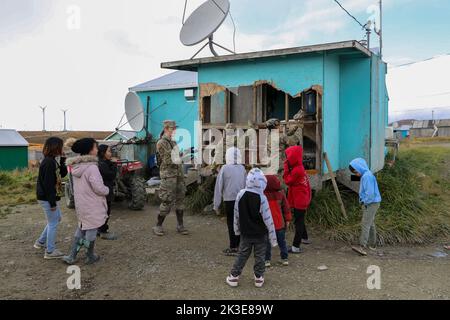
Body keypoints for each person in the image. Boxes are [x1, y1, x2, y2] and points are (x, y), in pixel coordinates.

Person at [226, 168, 277, 288]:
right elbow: (268, 219)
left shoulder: (241, 194)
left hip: (246, 233)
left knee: (242, 255)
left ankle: (234, 277)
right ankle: (259, 278)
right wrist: (273, 238)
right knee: (260, 256)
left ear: (248, 180)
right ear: (263, 182)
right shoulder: (262, 197)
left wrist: (236, 230)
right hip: (261, 234)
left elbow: (236, 214)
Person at [63, 138, 110, 265]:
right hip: (92, 204)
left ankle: (72, 255)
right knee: (91, 230)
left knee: (82, 227)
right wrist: (107, 190)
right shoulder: (92, 168)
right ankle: (90, 255)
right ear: (89, 150)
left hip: (82, 204)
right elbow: (99, 188)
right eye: (95, 147)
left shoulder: (75, 166)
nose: (97, 150)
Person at [34, 137, 68, 259]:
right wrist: (52, 203)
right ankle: (50, 251)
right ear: (56, 147)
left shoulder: (53, 160)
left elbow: (63, 174)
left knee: (55, 219)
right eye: (61, 146)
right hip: (47, 198)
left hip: (49, 197)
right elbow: (48, 185)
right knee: (53, 222)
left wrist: (63, 160)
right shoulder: (48, 162)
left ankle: (41, 242)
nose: (62, 148)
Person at [153, 120, 188, 236]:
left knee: (180, 199)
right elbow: (168, 160)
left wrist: (185, 153)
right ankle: (158, 225)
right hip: (168, 176)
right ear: (167, 129)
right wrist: (179, 156)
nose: (175, 131)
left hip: (178, 175)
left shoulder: (173, 142)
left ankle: (180, 225)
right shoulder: (161, 143)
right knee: (167, 200)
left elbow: (177, 156)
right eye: (173, 129)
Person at [213, 147, 247, 256]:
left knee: (231, 223)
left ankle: (233, 247)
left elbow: (219, 187)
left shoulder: (225, 168)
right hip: (242, 200)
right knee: (241, 222)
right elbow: (247, 185)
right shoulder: (242, 169)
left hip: (230, 200)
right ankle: (241, 246)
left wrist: (216, 205)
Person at [349, 158, 382, 256]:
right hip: (373, 202)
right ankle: (373, 245)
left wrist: (365, 202)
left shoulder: (367, 176)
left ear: (360, 168)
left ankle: (362, 246)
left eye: (356, 172)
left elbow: (370, 194)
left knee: (365, 224)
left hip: (371, 203)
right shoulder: (366, 174)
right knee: (370, 223)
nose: (356, 174)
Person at [283, 145, 312, 254]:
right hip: (302, 199)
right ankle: (305, 237)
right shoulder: (300, 167)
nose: (287, 159)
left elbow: (287, 180)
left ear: (293, 157)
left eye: (288, 157)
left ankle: (296, 246)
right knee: (300, 219)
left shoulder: (297, 170)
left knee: (298, 222)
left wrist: (286, 166)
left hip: (300, 200)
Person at [264, 175, 291, 267]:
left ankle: (267, 260)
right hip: (280, 224)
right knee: (282, 242)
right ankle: (285, 259)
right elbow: (286, 208)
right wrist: (287, 220)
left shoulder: (262, 195)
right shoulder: (281, 194)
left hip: (267, 224)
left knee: (267, 243)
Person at [97, 144, 118, 240]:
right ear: (102, 153)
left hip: (104, 191)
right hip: (104, 191)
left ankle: (99, 229)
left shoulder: (103, 162)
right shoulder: (101, 164)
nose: (111, 153)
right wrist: (114, 164)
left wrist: (111, 162)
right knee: (105, 211)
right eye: (109, 151)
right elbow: (111, 175)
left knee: (103, 211)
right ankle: (103, 231)